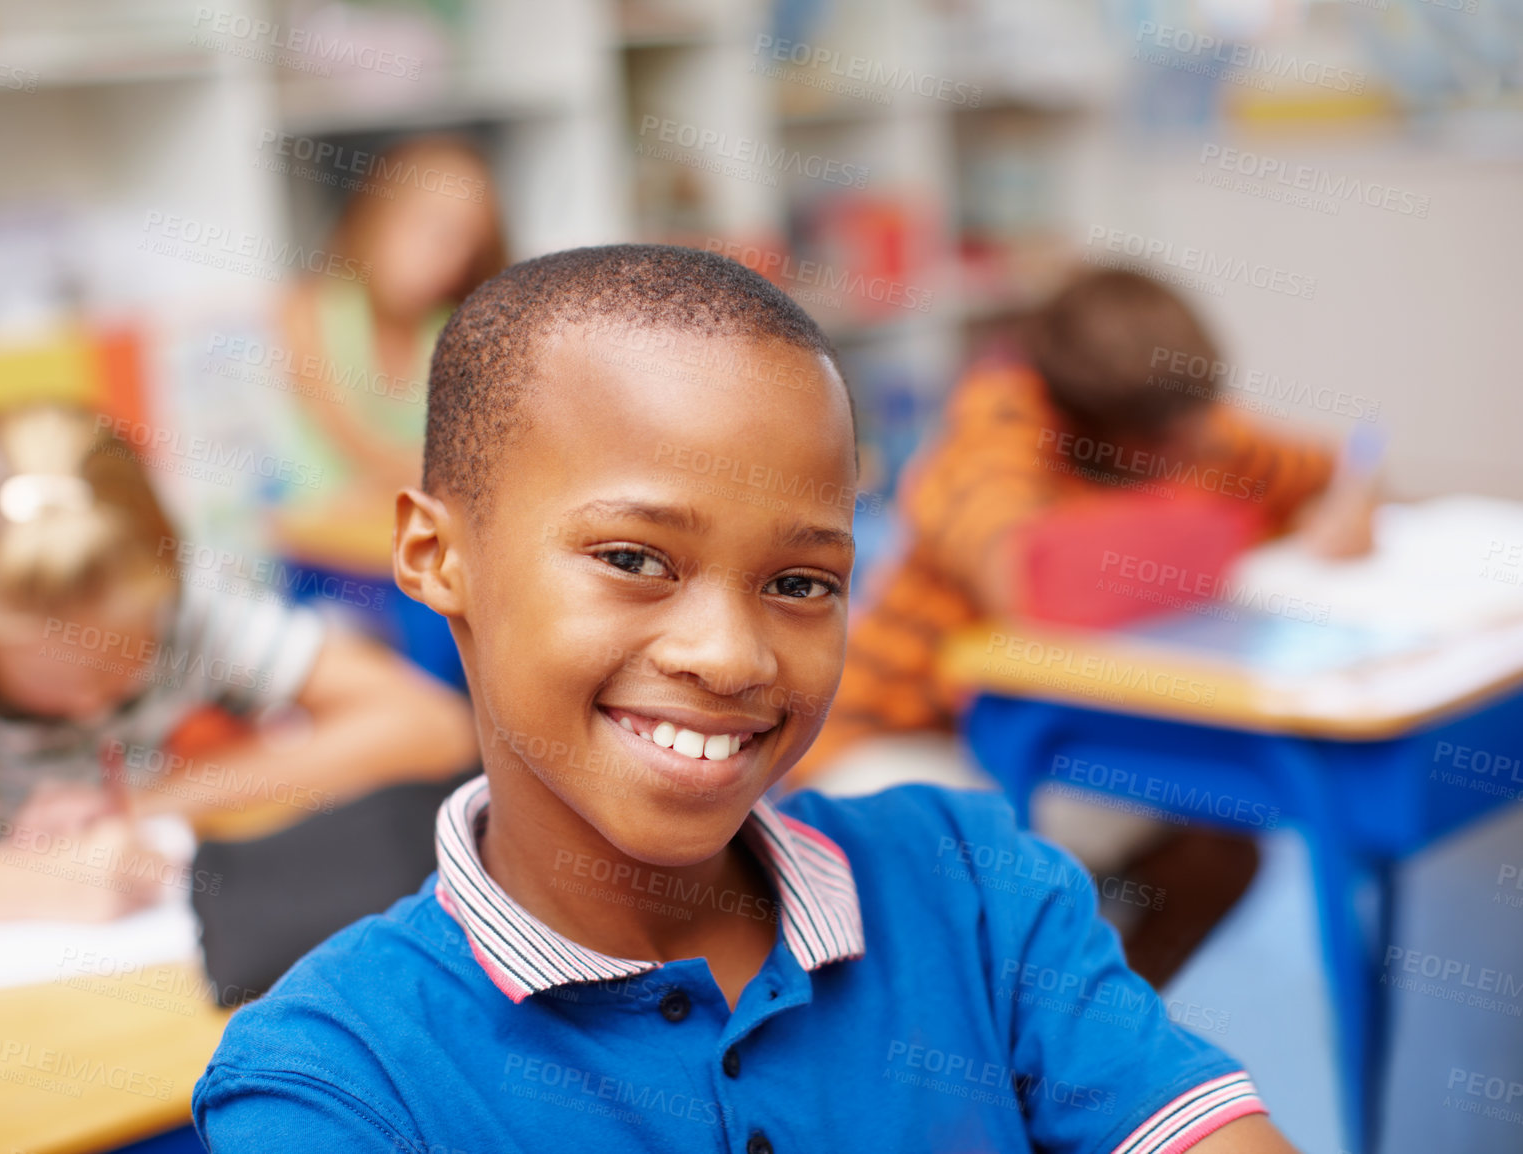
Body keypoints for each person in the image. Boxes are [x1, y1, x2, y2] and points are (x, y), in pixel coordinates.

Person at [192, 247, 1299, 1153]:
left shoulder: (971, 885)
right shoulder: (334, 1081)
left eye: (799, 582)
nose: (729, 654)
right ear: (437, 553)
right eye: (633, 557)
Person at [786, 268, 1377, 985]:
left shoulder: (1178, 421)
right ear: (1089, 428)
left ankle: (1085, 1043)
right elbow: (1023, 577)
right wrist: (1207, 526)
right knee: (956, 908)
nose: (1194, 450)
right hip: (903, 736)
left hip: (1054, 739)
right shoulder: (997, 432)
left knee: (1221, 843)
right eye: (1164, 442)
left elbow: (1335, 470)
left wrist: (1342, 509)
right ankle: (1024, 1038)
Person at [0, 403, 478, 938]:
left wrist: (145, 804)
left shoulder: (175, 610)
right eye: (55, 685)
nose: (95, 711)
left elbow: (429, 727)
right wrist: (32, 879)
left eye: (122, 670)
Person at [274, 137, 505, 690]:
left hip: (405, 529)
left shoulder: (455, 330)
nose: (441, 256)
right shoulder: (314, 310)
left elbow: (465, 455)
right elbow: (357, 443)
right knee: (429, 611)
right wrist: (417, 473)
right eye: (427, 228)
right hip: (321, 541)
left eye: (462, 243)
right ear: (378, 217)